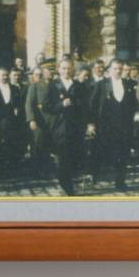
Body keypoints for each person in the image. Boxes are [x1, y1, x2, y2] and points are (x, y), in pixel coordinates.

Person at [88, 59, 137, 190]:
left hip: (124, 125)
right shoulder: (101, 84)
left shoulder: (129, 84)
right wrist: (91, 123)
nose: (118, 71)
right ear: (109, 70)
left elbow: (133, 104)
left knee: (122, 153)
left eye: (120, 68)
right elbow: (93, 105)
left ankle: (120, 182)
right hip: (105, 125)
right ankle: (94, 177)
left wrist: (135, 116)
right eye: (115, 68)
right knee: (99, 152)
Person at [47, 59, 90, 195]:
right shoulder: (53, 85)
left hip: (76, 127)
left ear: (73, 70)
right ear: (59, 69)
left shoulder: (79, 86)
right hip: (60, 127)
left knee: (73, 157)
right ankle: (67, 186)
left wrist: (87, 124)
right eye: (63, 68)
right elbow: (47, 106)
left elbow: (85, 107)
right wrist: (61, 105)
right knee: (62, 157)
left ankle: (67, 180)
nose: (66, 71)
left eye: (69, 68)